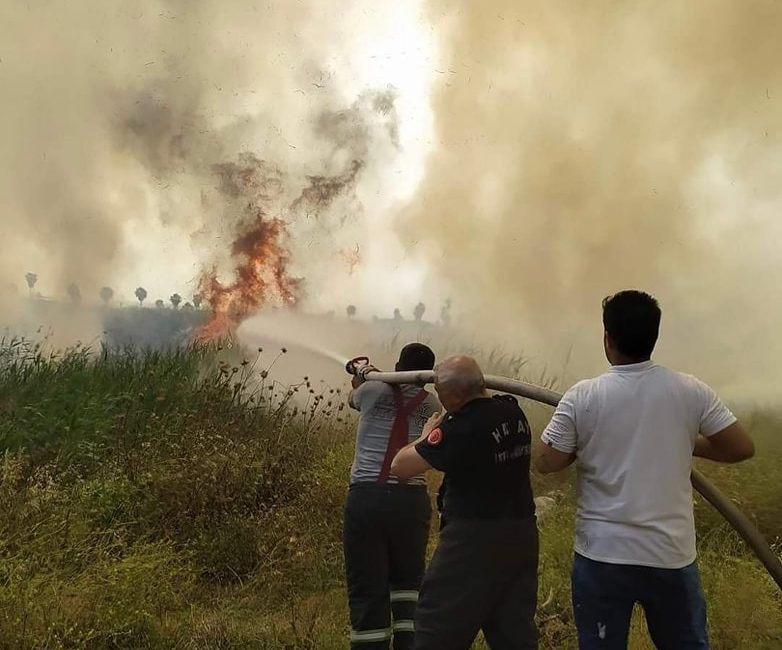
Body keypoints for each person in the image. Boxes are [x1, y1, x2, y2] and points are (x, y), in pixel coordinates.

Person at [533, 290, 755, 650]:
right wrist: (682, 441)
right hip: (670, 556)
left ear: (608, 339)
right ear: (655, 336)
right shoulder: (691, 390)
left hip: (602, 557)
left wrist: (582, 443)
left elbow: (546, 461)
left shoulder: (583, 396)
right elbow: (740, 447)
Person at [392, 355, 539, 650]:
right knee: (513, 633)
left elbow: (400, 466)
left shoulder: (461, 428)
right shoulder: (513, 412)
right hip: (521, 536)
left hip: (472, 543)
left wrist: (423, 437)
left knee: (437, 627)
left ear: (456, 396)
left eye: (443, 396)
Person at [344, 343, 440, 649]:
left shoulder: (371, 391)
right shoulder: (433, 403)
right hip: (411, 503)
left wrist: (361, 378)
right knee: (408, 585)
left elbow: (352, 399)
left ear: (398, 367)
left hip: (367, 498)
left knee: (367, 584)